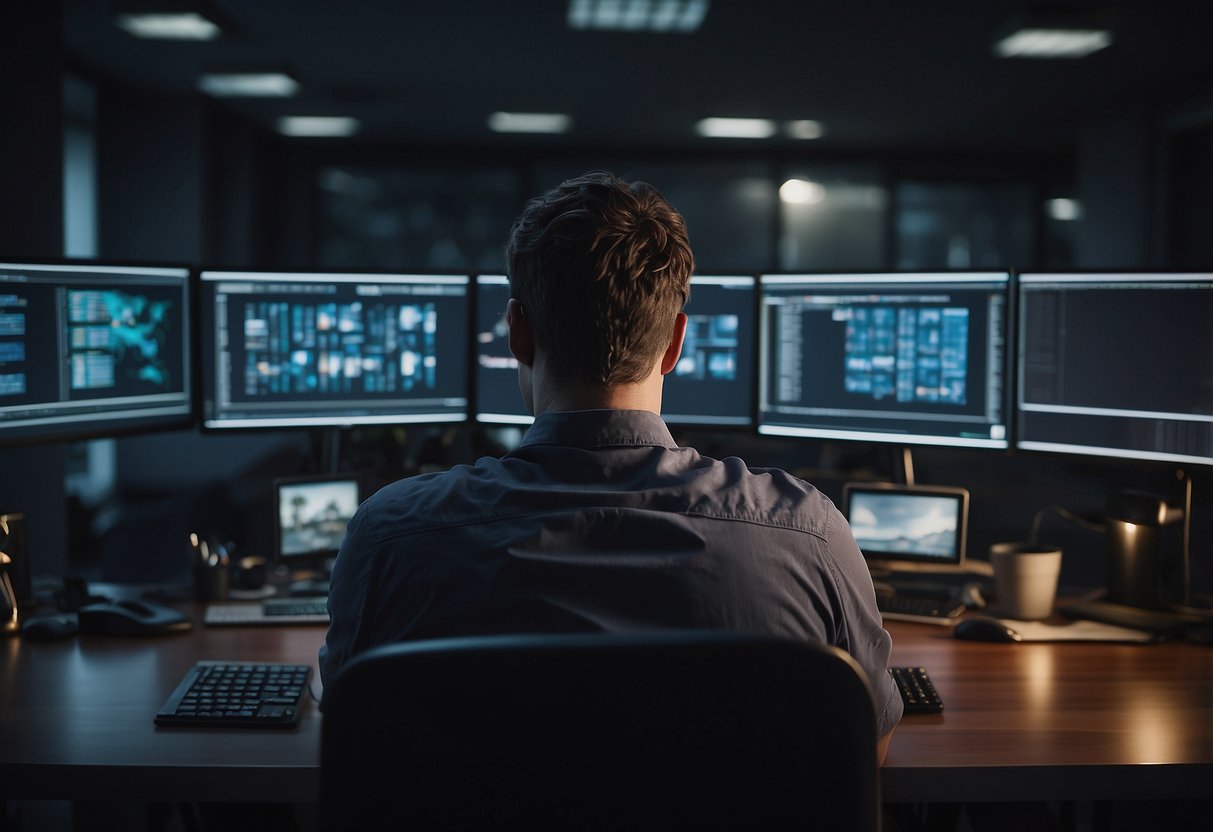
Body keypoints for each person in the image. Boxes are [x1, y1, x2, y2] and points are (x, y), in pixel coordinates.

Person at [320, 170, 903, 761]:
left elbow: (348, 729)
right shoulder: (807, 534)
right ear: (676, 344)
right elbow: (867, 746)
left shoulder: (390, 537)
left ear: (518, 334)